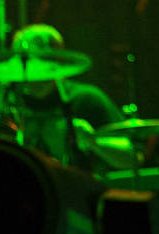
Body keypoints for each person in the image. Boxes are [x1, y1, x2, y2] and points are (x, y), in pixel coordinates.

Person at [8, 23, 136, 172]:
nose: (29, 71)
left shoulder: (87, 99)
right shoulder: (9, 105)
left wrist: (92, 140)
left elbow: (131, 158)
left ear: (57, 61)